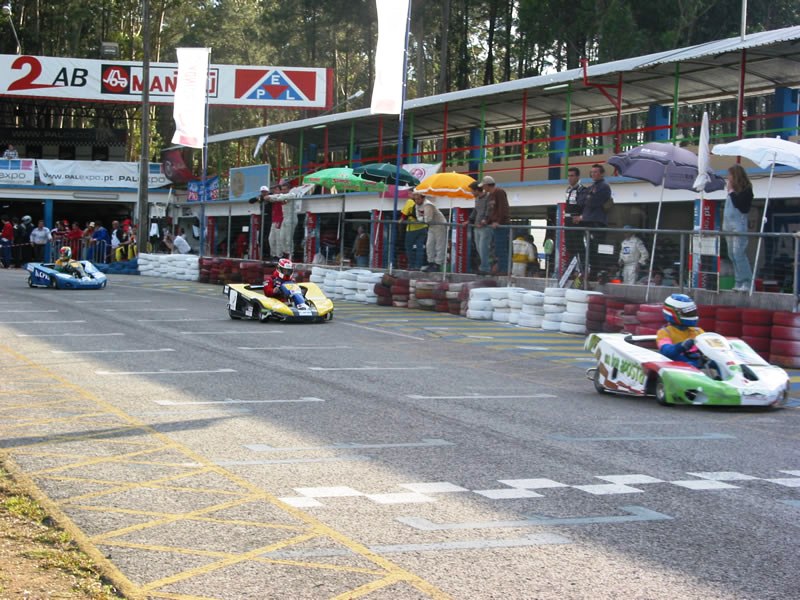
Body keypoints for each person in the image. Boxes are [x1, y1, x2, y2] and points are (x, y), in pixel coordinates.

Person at [722, 164, 754, 292]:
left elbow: (741, 205)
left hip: (738, 225)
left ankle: (747, 282)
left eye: (729, 175)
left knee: (738, 253)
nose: (728, 178)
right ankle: (739, 281)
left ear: (735, 176)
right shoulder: (731, 193)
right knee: (731, 254)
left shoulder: (746, 190)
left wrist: (731, 192)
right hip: (728, 225)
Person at [656, 294, 705, 368]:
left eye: (692, 312)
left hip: (698, 360)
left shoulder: (698, 331)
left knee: (717, 362)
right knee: (691, 365)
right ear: (672, 313)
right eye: (688, 313)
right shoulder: (665, 332)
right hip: (677, 366)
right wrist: (681, 346)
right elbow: (666, 351)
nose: (692, 315)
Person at [413, 192, 447, 272]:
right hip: (431, 226)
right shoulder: (417, 205)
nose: (416, 201)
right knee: (429, 244)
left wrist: (423, 219)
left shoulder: (428, 204)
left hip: (440, 224)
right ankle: (431, 263)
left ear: (423, 198)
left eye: (418, 199)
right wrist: (423, 219)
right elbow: (419, 217)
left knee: (439, 244)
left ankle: (438, 264)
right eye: (415, 199)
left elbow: (428, 219)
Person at [483, 176, 510, 273]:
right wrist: (487, 221)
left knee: (501, 247)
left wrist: (498, 221)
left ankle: (504, 269)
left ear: (487, 185)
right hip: (495, 225)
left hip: (501, 225)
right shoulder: (490, 196)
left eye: (484, 186)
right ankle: (500, 268)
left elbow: (503, 208)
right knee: (497, 248)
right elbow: (491, 210)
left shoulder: (499, 192)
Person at [564, 167, 587, 263]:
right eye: (568, 176)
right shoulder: (568, 190)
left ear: (577, 177)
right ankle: (572, 268)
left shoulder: (582, 190)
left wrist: (581, 217)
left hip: (576, 221)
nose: (570, 178)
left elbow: (583, 206)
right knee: (569, 246)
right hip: (568, 220)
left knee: (578, 246)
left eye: (572, 176)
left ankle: (582, 267)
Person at [468, 181, 491, 274]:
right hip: (477, 227)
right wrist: (469, 220)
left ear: (477, 190)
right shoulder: (477, 199)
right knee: (478, 248)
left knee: (483, 247)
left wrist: (485, 220)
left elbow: (488, 210)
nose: (471, 193)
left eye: (472, 191)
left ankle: (485, 268)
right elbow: (475, 210)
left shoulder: (488, 198)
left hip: (485, 227)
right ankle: (483, 266)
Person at [400, 194, 428, 270]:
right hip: (423, 227)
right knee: (420, 247)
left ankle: (411, 265)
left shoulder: (410, 201)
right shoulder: (425, 203)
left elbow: (404, 214)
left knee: (408, 247)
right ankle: (418, 266)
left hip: (412, 228)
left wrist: (401, 220)